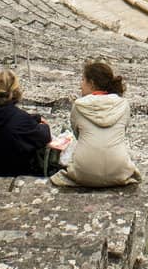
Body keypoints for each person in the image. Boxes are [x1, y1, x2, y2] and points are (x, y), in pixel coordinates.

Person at [51, 60, 141, 188]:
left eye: (83, 80)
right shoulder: (123, 104)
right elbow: (122, 132)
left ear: (91, 83)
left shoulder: (78, 105)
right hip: (118, 171)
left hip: (84, 172)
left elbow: (78, 135)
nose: (80, 85)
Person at [0, 69, 52, 177]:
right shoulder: (20, 119)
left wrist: (34, 118)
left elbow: (10, 119)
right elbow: (45, 136)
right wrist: (43, 125)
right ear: (15, 91)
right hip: (13, 171)